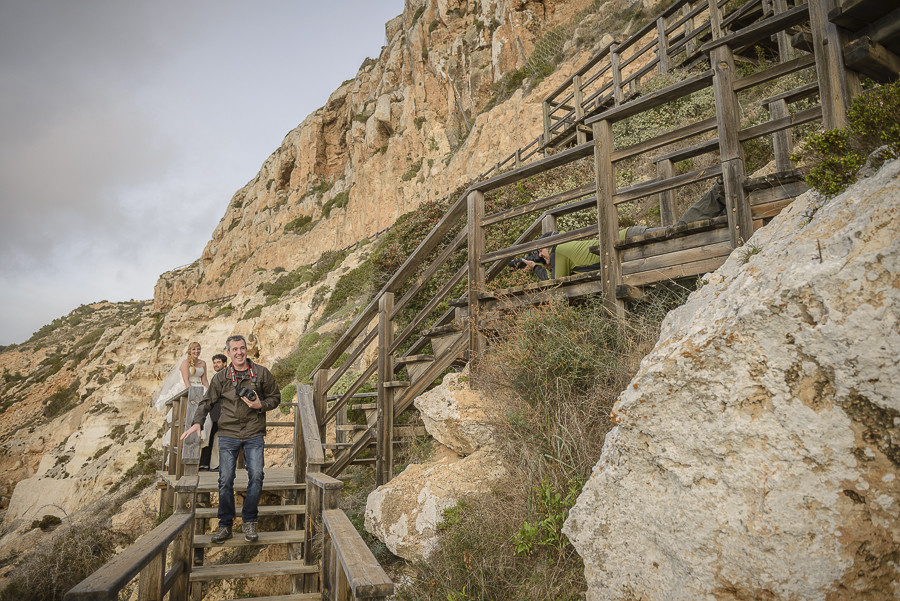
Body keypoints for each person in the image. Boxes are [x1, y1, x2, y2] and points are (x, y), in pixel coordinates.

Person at [181, 335, 280, 543]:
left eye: (242, 348)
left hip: (254, 432)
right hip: (228, 434)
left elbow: (275, 397)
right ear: (228, 353)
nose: (239, 352)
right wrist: (197, 422)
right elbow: (206, 402)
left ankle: (250, 521)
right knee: (225, 480)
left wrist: (259, 405)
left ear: (246, 350)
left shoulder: (261, 373)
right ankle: (225, 525)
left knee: (257, 476)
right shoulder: (221, 377)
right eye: (234, 349)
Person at [198, 353, 229, 472]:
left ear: (225, 363)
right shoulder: (217, 376)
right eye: (214, 363)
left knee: (216, 437)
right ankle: (205, 464)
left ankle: (208, 464)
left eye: (218, 362)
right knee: (209, 436)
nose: (215, 365)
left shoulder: (226, 376)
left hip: (222, 411)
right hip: (215, 411)